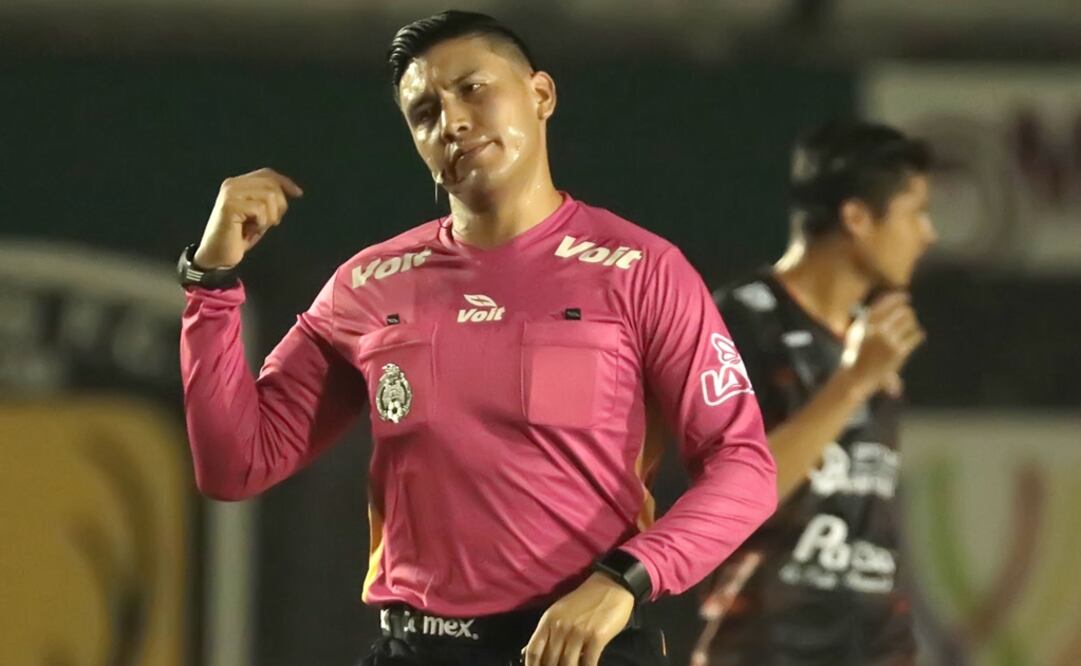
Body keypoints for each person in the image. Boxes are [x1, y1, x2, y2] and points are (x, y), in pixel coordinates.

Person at [177, 10, 776, 666]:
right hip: (416, 649)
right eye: (423, 111)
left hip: (579, 648)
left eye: (472, 89)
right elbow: (234, 465)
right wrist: (210, 282)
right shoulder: (367, 285)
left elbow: (742, 466)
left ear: (541, 95)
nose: (452, 121)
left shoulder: (643, 270)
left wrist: (624, 580)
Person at [691, 120, 938, 666]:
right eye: (915, 212)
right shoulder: (739, 320)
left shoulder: (871, 342)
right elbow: (733, 496)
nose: (929, 233)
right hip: (766, 646)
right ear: (856, 218)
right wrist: (852, 383)